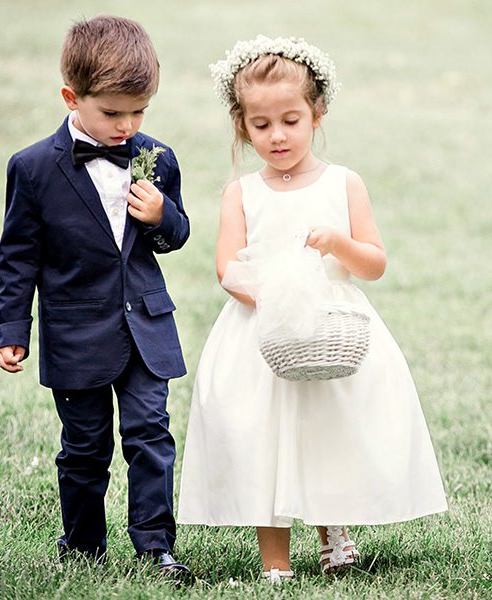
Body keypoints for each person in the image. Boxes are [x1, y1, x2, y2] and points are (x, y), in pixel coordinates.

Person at [177, 35, 447, 582]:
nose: (277, 136)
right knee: (260, 439)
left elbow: (373, 263)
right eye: (260, 125)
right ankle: (275, 563)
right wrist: (276, 299)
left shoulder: (344, 183)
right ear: (242, 126)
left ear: (317, 113)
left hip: (333, 326)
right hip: (263, 332)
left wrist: (337, 245)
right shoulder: (241, 193)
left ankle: (333, 532)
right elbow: (228, 268)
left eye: (291, 120)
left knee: (330, 429)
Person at [0, 15, 191, 578]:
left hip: (146, 327)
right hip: (76, 332)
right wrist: (12, 329)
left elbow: (174, 237)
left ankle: (156, 548)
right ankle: (82, 547)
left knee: (151, 435)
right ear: (71, 97)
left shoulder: (158, 156)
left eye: (139, 112)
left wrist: (162, 216)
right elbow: (18, 257)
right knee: (84, 447)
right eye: (112, 112)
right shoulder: (32, 168)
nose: (127, 125)